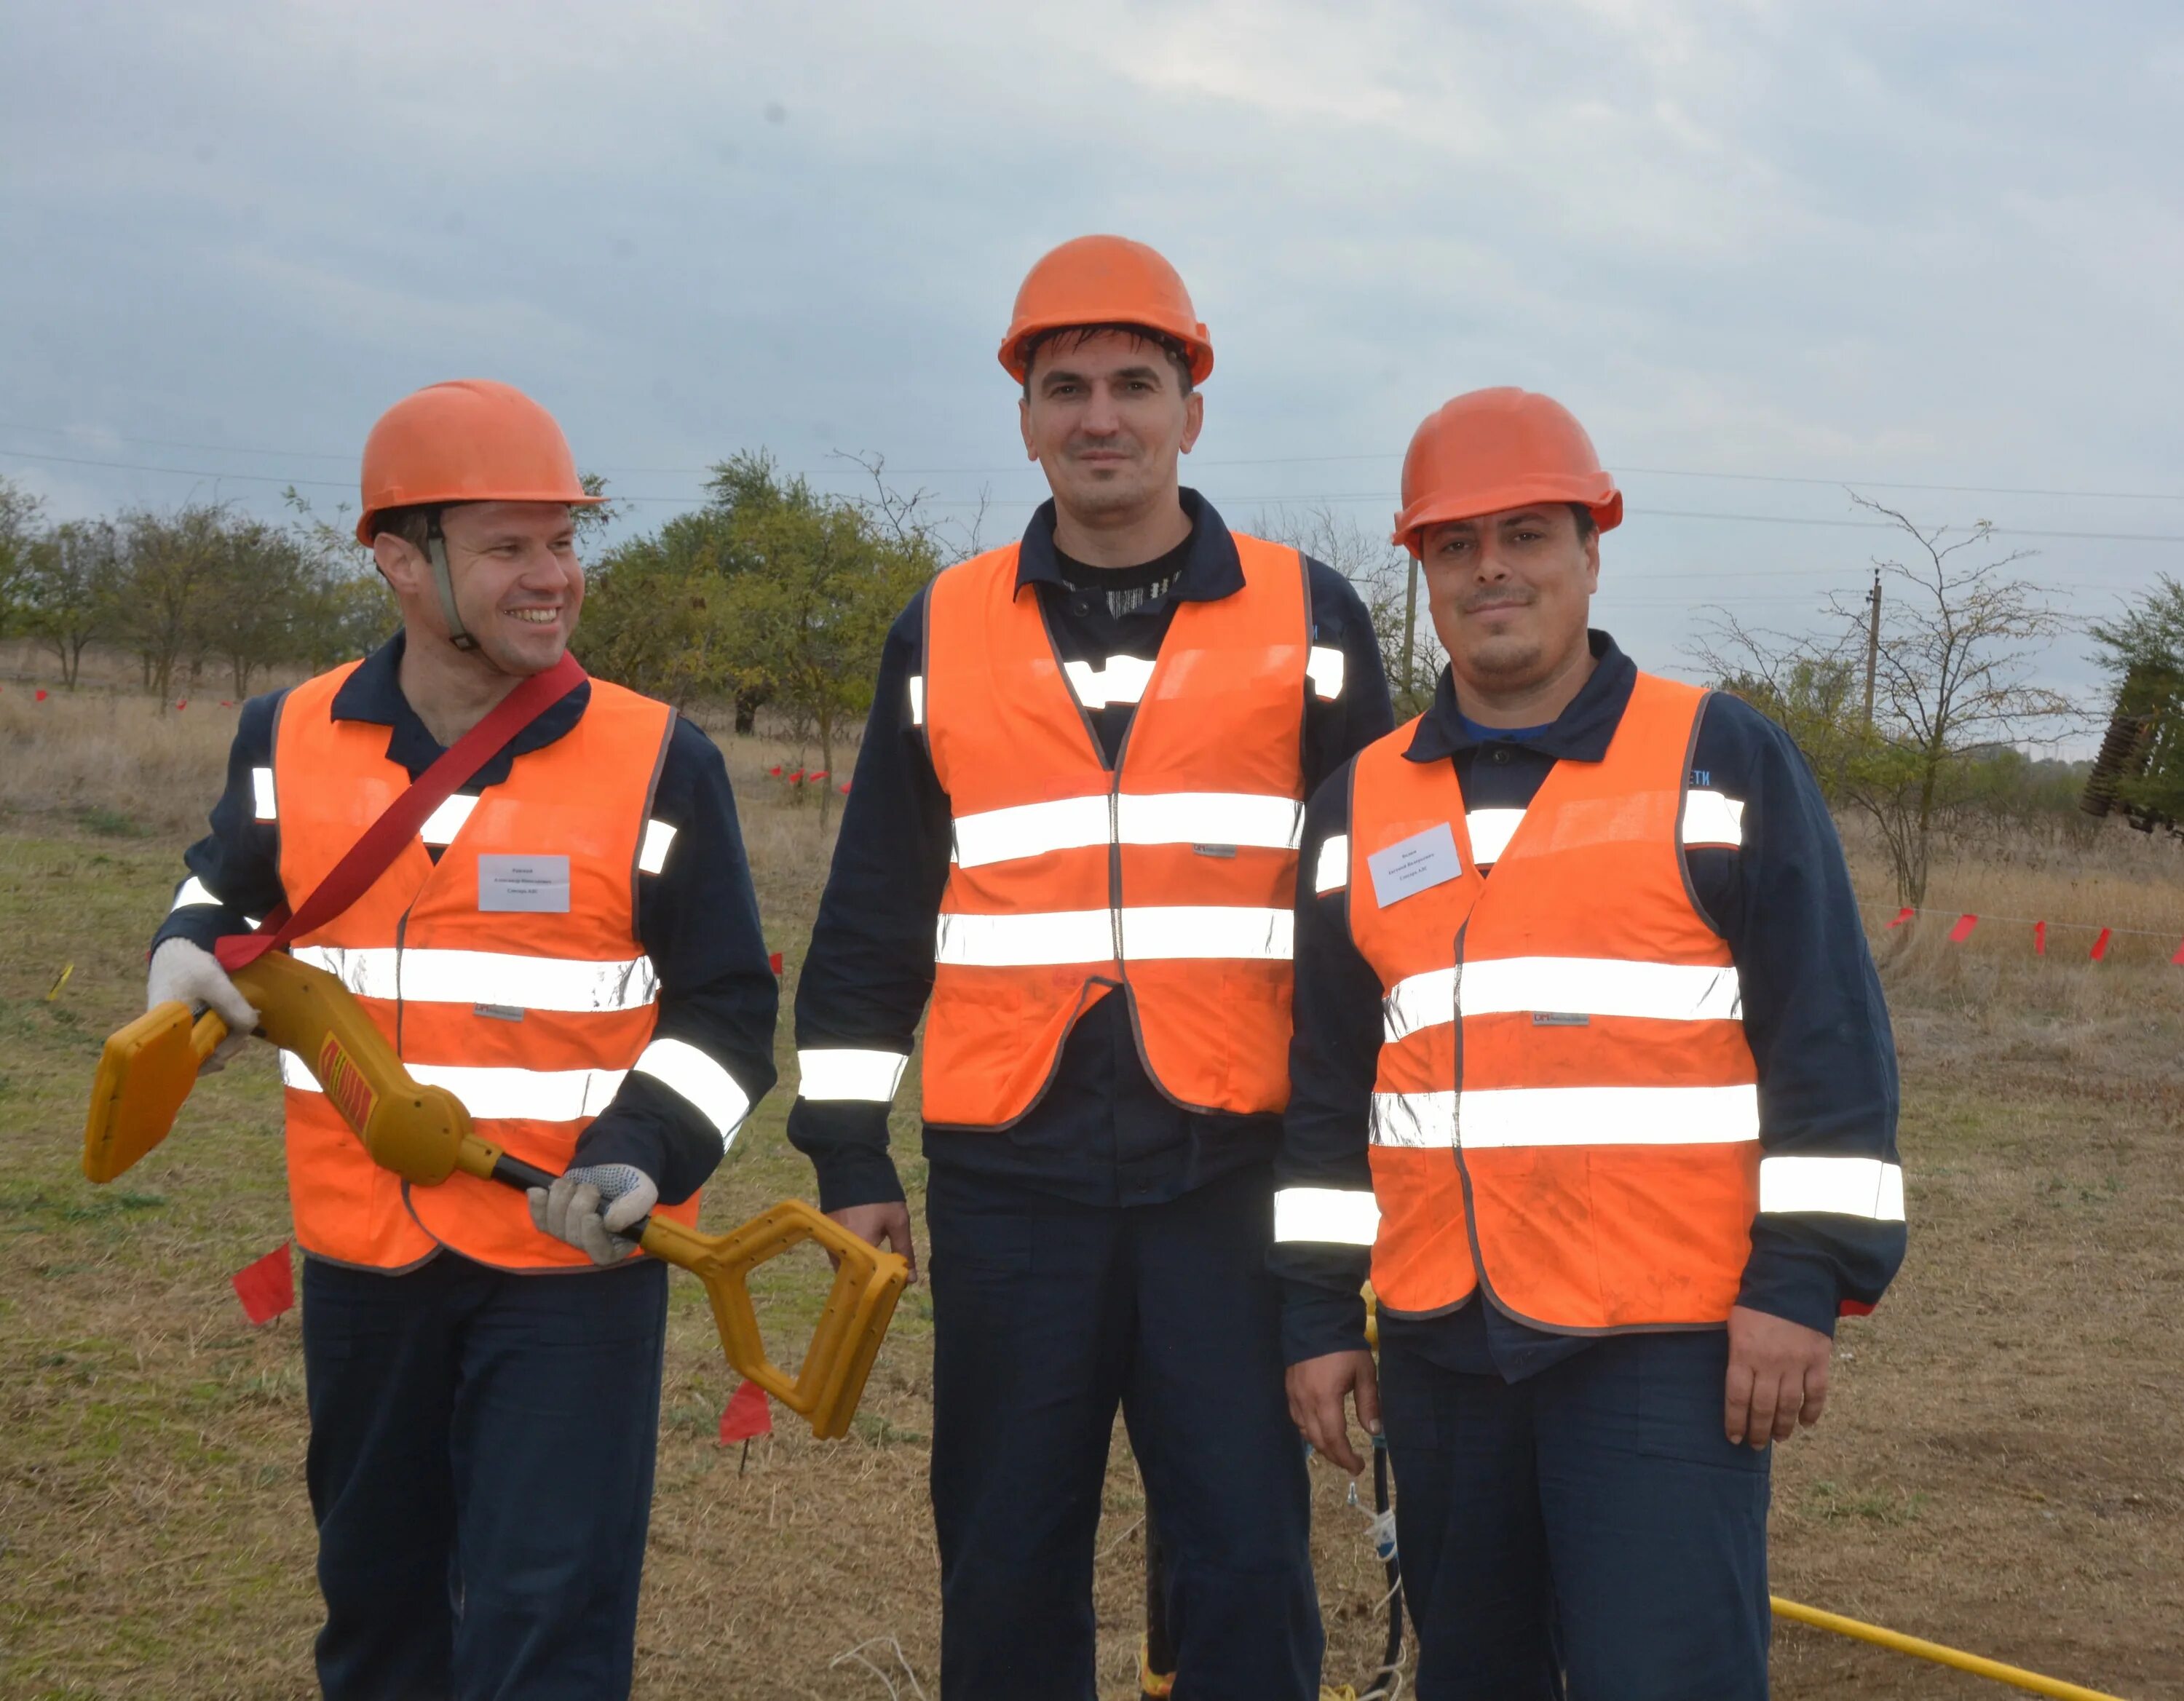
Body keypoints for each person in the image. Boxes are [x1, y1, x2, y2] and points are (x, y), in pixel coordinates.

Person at [788, 235, 1394, 1699]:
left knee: (1244, 1550)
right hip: (1012, 1173)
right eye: (1068, 387)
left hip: (1234, 1172)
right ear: (1024, 416)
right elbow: (877, 900)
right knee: (1004, 1549)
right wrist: (846, 1146)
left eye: (1136, 381)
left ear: (1193, 405)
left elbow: (1373, 912)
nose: (1101, 415)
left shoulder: (1311, 622)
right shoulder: (940, 628)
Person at [146, 378, 778, 1700]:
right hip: (363, 1257)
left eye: (564, 542)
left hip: (568, 1260)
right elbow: (229, 887)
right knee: (375, 1610)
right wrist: (183, 948)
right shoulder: (286, 733)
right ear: (399, 558)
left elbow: (727, 1009)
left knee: (547, 1622)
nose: (553, 577)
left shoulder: (663, 759)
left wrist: (643, 1151)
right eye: (508, 546)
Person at [1273, 388, 1906, 1700]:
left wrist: (1802, 1285)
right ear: (1424, 573)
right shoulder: (1358, 804)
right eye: (1457, 544)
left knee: (1660, 1677)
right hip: (1445, 1345)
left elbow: (1829, 1043)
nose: (1492, 566)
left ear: (1591, 550)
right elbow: (1331, 1093)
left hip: (1666, 1348)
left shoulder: (1718, 760)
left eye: (1528, 533)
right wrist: (1320, 1310)